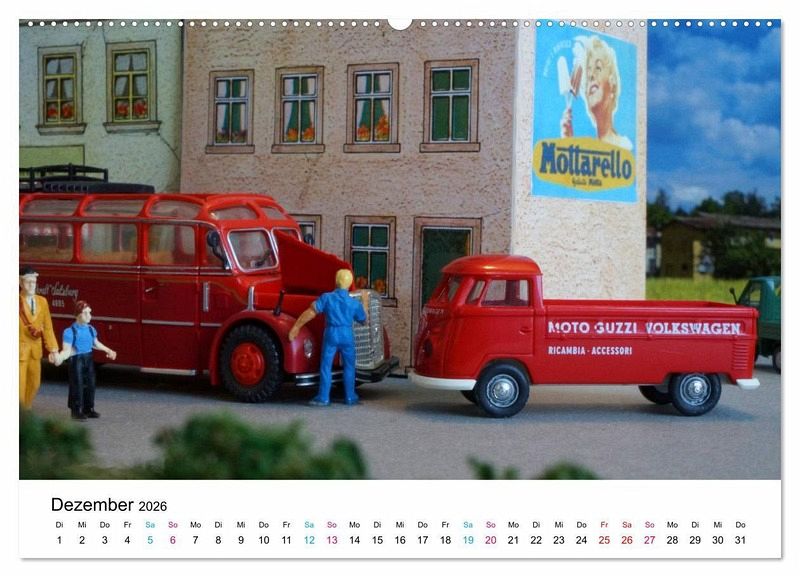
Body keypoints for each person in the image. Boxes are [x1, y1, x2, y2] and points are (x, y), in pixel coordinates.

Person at [288, 269, 369, 406]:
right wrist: (365, 302)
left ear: (336, 282)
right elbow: (364, 320)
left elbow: (311, 312)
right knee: (349, 366)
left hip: (331, 333)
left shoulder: (327, 298)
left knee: (326, 366)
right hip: (347, 334)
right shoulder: (354, 303)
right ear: (350, 284)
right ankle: (350, 397)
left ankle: (323, 397)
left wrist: (296, 327)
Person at [561, 35, 632, 150]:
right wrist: (567, 142)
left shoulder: (626, 146)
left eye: (598, 68)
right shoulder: (588, 151)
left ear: (612, 84)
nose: (591, 75)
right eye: (588, 72)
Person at [56, 300, 117, 421]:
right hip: (76, 360)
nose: (89, 316)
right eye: (85, 313)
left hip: (88, 358)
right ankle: (76, 410)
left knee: (90, 384)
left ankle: (88, 409)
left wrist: (108, 350)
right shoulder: (69, 332)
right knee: (77, 385)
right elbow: (66, 350)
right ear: (77, 315)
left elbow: (96, 343)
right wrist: (60, 357)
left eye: (90, 312)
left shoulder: (91, 329)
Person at [19, 266, 59, 410]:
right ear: (20, 283)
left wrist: (53, 349)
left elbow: (48, 327)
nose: (32, 285)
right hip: (19, 351)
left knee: (34, 383)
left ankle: (26, 408)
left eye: (34, 282)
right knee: (19, 384)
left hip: (35, 351)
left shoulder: (42, 301)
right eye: (28, 282)